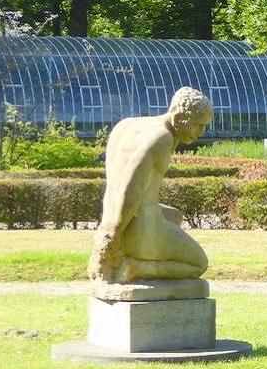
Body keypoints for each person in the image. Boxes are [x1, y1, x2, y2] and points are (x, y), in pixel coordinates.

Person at [88, 87, 213, 283]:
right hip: (137, 230)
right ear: (180, 115)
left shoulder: (127, 125)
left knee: (175, 216)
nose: (201, 132)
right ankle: (135, 268)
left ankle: (132, 253)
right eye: (198, 125)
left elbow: (116, 184)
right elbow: (132, 187)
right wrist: (112, 239)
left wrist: (107, 228)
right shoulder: (161, 138)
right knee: (199, 263)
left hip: (112, 217)